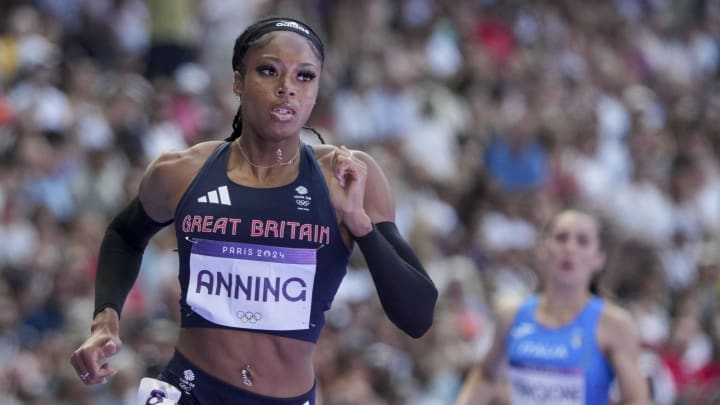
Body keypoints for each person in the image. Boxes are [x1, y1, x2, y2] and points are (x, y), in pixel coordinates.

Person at [69, 16, 438, 405]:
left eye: (304, 77)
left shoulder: (346, 177)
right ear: (237, 81)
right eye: (268, 70)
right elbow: (124, 235)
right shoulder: (181, 171)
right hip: (190, 391)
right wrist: (104, 321)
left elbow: (417, 317)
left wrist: (360, 225)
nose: (286, 89)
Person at [455, 209, 651, 405]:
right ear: (543, 249)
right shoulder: (512, 315)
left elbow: (637, 400)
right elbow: (485, 376)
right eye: (561, 238)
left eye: (582, 241)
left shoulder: (614, 325)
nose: (569, 248)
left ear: (599, 259)